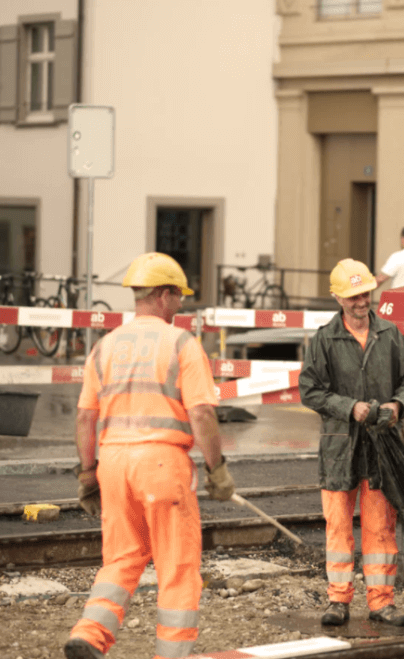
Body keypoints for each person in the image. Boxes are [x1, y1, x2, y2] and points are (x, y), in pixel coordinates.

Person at [64, 253, 235, 659]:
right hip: (161, 463)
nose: (181, 306)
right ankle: (171, 655)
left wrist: (88, 476)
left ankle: (89, 635)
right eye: (178, 296)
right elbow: (201, 412)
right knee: (176, 567)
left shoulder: (105, 346)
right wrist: (217, 468)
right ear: (162, 294)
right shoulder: (180, 343)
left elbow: (85, 417)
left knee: (121, 559)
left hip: (113, 463)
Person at [299, 258, 404, 629]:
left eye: (365, 293)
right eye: (352, 296)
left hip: (382, 445)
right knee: (338, 526)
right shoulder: (324, 340)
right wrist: (350, 409)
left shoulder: (390, 335)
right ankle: (338, 600)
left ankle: (382, 602)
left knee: (381, 524)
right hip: (340, 448)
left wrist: (398, 406)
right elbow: (310, 390)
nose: (361, 301)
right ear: (337, 298)